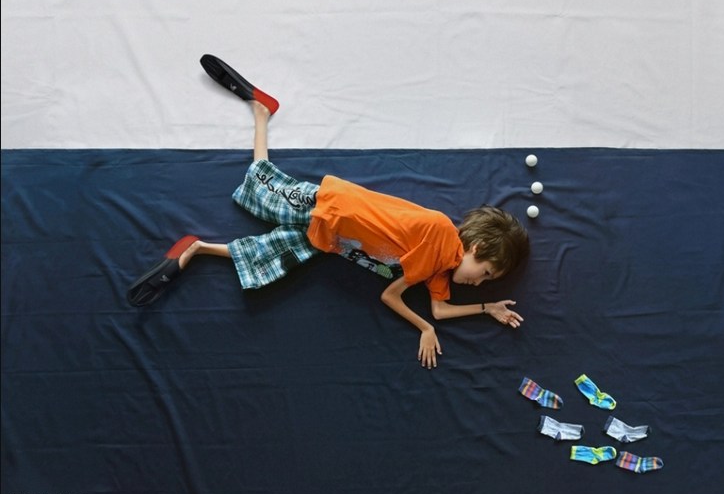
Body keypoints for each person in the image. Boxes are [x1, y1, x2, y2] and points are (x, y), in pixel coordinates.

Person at [127, 55, 530, 369]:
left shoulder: (439, 271)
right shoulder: (440, 235)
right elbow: (391, 294)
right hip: (328, 210)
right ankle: (261, 110)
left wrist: (487, 308)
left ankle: (196, 247)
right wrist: (423, 326)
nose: (479, 283)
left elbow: (439, 310)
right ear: (476, 248)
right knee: (260, 185)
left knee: (269, 260)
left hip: (332, 242)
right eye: (486, 273)